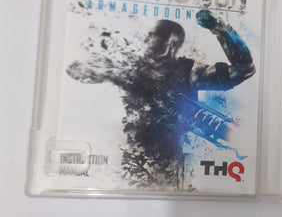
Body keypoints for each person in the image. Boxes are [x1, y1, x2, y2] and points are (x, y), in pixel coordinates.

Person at [67, 10, 255, 189]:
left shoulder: (189, 72)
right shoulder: (130, 68)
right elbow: (75, 70)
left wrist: (220, 28)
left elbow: (244, 70)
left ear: (171, 44)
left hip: (171, 167)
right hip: (128, 164)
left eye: (152, 35)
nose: (145, 39)